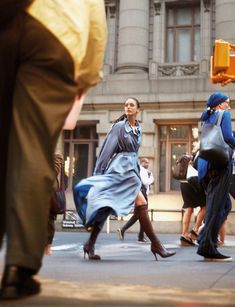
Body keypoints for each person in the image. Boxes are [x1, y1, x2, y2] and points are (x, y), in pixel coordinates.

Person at [0, 0, 107, 300]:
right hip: (55, 35)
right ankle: (18, 269)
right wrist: (86, 76)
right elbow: (96, 25)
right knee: (32, 148)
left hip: (7, 22)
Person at [73, 97, 176, 261]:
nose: (128, 107)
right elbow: (106, 151)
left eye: (131, 105)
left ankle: (90, 244)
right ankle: (156, 244)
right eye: (126, 105)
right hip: (119, 171)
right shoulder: (119, 127)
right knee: (141, 203)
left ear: (138, 110)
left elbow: (134, 153)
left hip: (131, 171)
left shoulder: (139, 128)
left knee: (106, 208)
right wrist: (98, 176)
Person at [197, 92, 235, 261]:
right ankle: (207, 247)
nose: (230, 105)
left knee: (224, 205)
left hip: (207, 167)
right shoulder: (224, 114)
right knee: (216, 208)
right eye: (228, 102)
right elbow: (227, 137)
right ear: (220, 105)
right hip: (220, 166)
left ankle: (204, 237)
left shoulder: (209, 117)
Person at [117, 157, 154, 243]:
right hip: (142, 194)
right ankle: (139, 236)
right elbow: (145, 182)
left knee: (139, 215)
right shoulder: (142, 170)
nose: (148, 164)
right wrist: (152, 178)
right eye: (146, 162)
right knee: (142, 215)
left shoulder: (138, 169)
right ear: (142, 163)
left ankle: (137, 234)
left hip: (139, 193)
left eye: (148, 163)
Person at [44, 153, 64, 256]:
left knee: (49, 221)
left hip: (49, 194)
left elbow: (53, 172)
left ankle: (48, 246)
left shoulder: (56, 156)